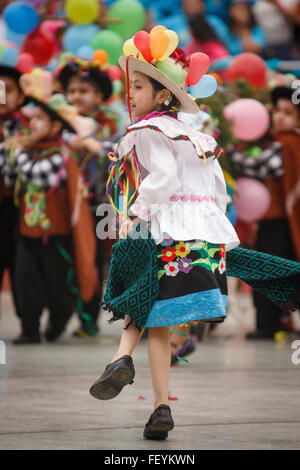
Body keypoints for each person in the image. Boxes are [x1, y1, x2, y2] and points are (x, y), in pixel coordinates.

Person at [89, 26, 240, 440]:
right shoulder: (199, 137)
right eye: (130, 86)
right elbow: (218, 192)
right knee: (157, 319)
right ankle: (159, 407)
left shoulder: (146, 132)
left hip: (165, 233)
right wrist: (218, 241)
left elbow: (165, 179)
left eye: (138, 86)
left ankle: (121, 359)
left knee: (138, 295)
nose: (130, 94)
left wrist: (134, 214)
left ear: (163, 96)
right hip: (202, 243)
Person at [0, 68, 98, 344]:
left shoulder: (59, 155)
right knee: (25, 280)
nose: (32, 123)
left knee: (58, 284)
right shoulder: (25, 148)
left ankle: (57, 323)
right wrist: (17, 148)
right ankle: (29, 329)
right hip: (27, 230)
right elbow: (7, 173)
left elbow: (36, 174)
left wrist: (18, 149)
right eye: (32, 118)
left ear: (56, 126)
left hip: (55, 233)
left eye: (41, 119)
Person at [229, 85, 300, 338]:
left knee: (270, 271)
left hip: (280, 221)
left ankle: (270, 323)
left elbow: (262, 167)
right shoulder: (275, 141)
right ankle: (272, 321)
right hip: (271, 221)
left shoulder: (289, 143)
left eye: (288, 113)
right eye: (277, 111)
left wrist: (231, 154)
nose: (280, 117)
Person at [56, 55, 119, 337]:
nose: (76, 96)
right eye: (71, 91)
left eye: (83, 91)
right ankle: (68, 316)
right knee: (66, 258)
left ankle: (89, 318)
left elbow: (119, 154)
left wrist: (96, 146)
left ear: (98, 95)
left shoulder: (109, 124)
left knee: (93, 259)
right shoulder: (59, 122)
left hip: (99, 205)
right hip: (64, 203)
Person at [0, 63, 27, 320]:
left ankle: (29, 326)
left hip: (22, 209)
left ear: (20, 96)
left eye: (7, 90)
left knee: (23, 268)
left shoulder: (31, 125)